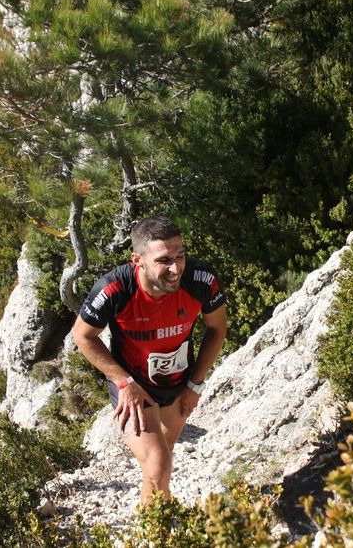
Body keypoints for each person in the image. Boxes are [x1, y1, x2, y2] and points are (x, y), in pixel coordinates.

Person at [72, 216, 227, 503]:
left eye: (180, 256)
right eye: (164, 260)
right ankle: (164, 526)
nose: (175, 268)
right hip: (134, 386)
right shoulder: (115, 288)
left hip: (178, 382)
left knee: (159, 463)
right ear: (138, 261)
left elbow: (217, 327)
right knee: (158, 464)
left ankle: (150, 520)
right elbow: (82, 336)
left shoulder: (199, 279)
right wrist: (124, 382)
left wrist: (196, 384)